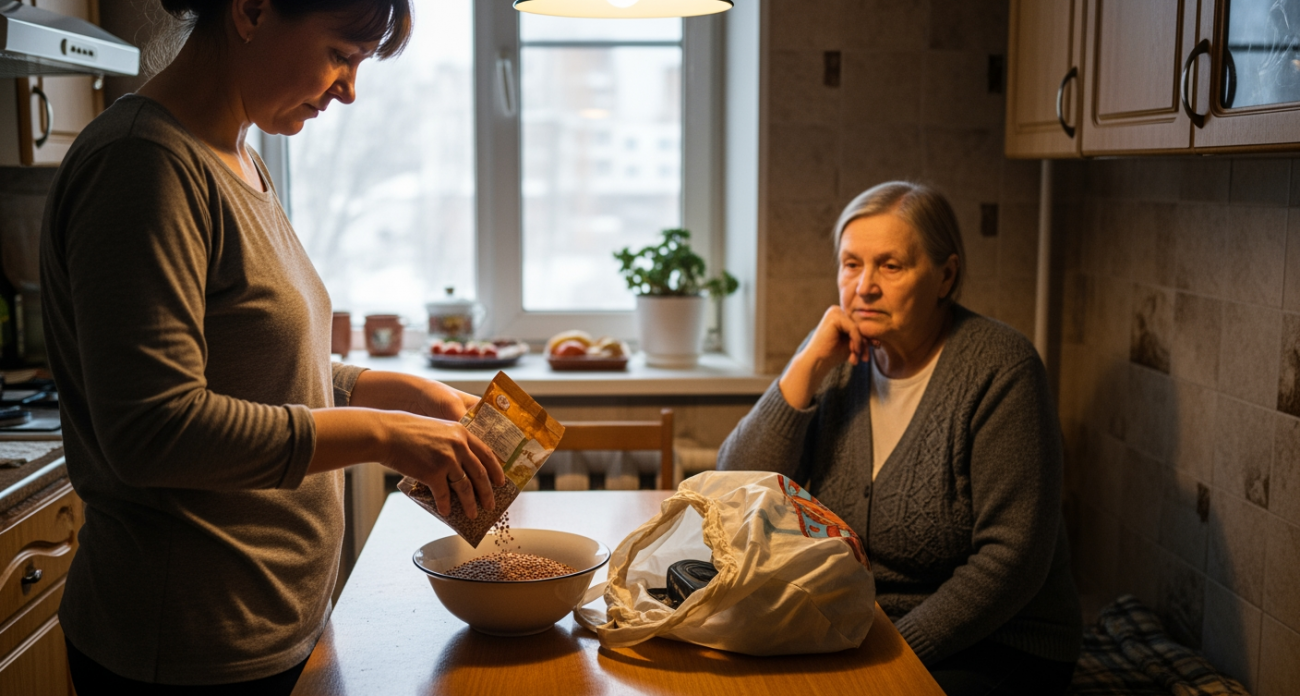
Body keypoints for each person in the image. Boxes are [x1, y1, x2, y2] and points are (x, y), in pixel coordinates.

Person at [39, 1, 504, 693]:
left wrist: (394, 392)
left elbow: (259, 361)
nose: (350, 88)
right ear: (253, 10)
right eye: (342, 55)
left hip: (277, 622)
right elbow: (153, 430)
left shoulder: (236, 158)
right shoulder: (143, 163)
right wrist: (382, 434)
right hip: (193, 646)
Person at [717, 182, 1081, 695]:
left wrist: (893, 656)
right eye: (850, 264)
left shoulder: (1002, 368)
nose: (864, 286)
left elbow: (1012, 561)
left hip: (997, 644)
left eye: (891, 266)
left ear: (945, 276)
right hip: (859, 631)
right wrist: (807, 365)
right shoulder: (838, 360)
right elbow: (733, 487)